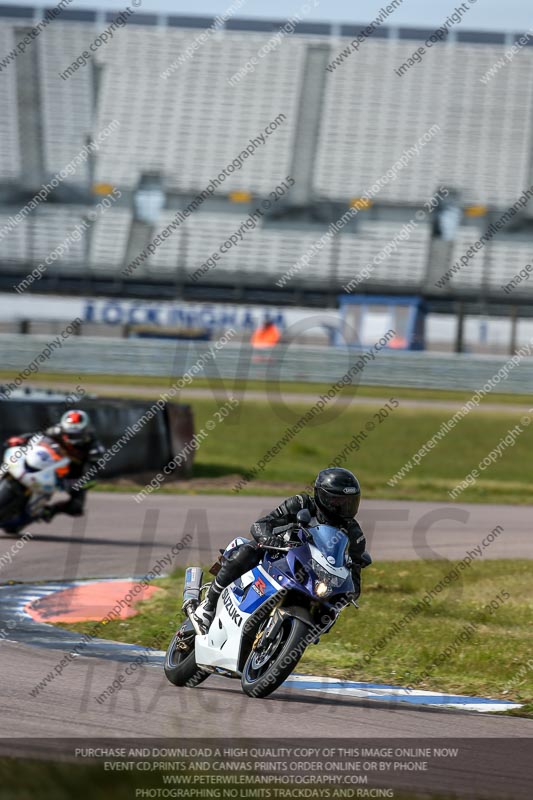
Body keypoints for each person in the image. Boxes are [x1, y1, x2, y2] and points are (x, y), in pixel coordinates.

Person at [193, 467, 369, 630]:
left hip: (313, 577)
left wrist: (349, 593)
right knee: (249, 549)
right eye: (337, 500)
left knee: (330, 610)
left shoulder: (354, 533)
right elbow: (262, 524)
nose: (343, 507)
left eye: (349, 502)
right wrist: (268, 538)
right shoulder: (300, 503)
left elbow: (355, 575)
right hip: (279, 555)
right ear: (321, 495)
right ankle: (209, 605)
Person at [4, 409, 104, 526]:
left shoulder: (95, 449)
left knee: (76, 507)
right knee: (12, 452)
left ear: (86, 431)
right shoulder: (57, 430)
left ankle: (50, 511)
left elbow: (93, 475)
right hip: (48, 461)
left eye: (77, 434)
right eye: (69, 433)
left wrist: (77, 483)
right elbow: (37, 436)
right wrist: (22, 439)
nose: (72, 437)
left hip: (71, 475)